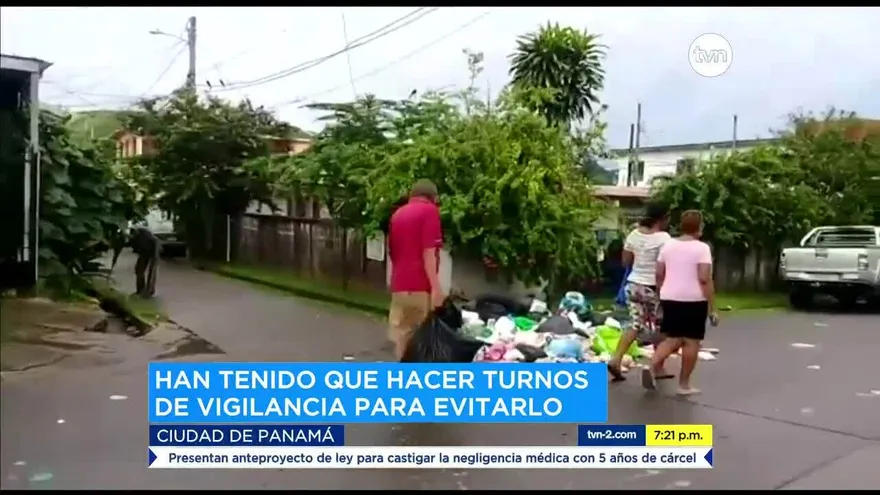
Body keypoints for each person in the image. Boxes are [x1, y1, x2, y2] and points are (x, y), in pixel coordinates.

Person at [643, 209, 718, 395]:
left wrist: (662, 292)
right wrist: (712, 308)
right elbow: (704, 278)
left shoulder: (668, 246)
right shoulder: (702, 248)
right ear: (699, 227)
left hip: (670, 297)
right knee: (691, 342)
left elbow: (659, 273)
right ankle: (684, 385)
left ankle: (651, 365)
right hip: (693, 299)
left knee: (673, 338)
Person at [607, 203, 673, 382]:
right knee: (660, 326)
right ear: (661, 219)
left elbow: (625, 262)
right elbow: (664, 266)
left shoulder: (633, 234)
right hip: (653, 287)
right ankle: (657, 367)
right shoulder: (664, 238)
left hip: (633, 285)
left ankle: (616, 359)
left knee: (635, 324)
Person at [387, 179, 444, 360]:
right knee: (423, 338)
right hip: (420, 286)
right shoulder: (429, 211)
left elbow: (393, 253)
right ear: (432, 197)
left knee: (402, 336)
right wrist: (436, 288)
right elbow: (429, 252)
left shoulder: (397, 214)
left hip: (399, 286)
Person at [130, 226, 160, 298]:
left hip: (153, 251)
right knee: (138, 270)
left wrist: (155, 256)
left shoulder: (145, 235)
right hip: (144, 253)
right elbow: (135, 248)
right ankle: (140, 289)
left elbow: (155, 241)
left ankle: (150, 291)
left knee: (152, 272)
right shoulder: (134, 239)